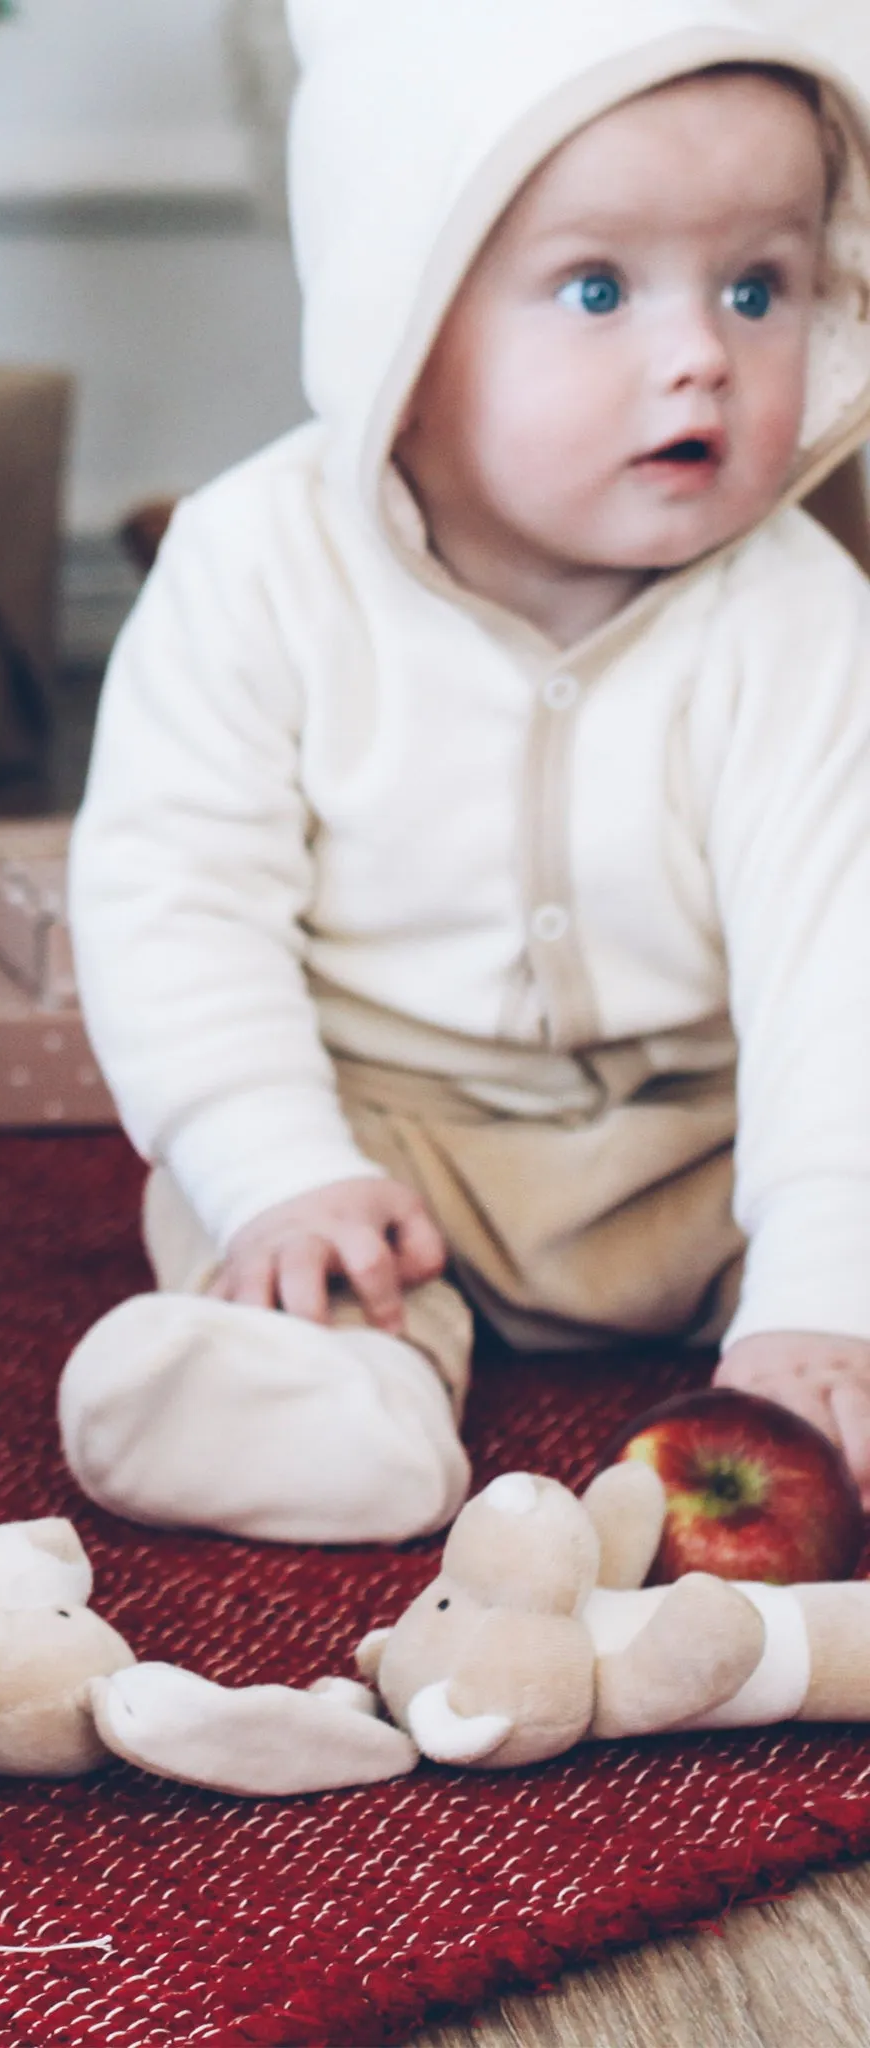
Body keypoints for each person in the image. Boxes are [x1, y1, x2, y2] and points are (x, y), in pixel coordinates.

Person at [61, 0, 870, 1545]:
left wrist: (823, 1285)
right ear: (402, 317)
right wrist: (273, 1160)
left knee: (852, 1179)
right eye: (597, 288)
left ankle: (806, 1360)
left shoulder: (799, 614)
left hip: (711, 1132)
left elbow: (843, 973)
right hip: (388, 1130)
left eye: (759, 287)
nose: (700, 355)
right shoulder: (258, 567)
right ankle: (334, 1402)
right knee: (249, 1219)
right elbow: (175, 894)